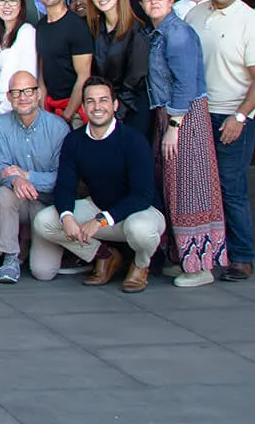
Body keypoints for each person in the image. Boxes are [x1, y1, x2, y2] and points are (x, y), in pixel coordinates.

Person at [31, 78, 167, 292]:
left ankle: (141, 265)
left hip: (140, 213)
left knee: (140, 229)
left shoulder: (133, 140)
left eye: (103, 100)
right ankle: (104, 255)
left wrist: (101, 221)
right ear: (83, 107)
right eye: (91, 101)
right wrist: (67, 216)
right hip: (99, 208)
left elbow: (142, 195)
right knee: (44, 221)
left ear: (114, 105)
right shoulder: (75, 140)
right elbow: (65, 186)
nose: (97, 107)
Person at [185, 0, 255, 282]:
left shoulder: (251, 21)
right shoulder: (195, 15)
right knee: (200, 187)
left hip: (232, 115)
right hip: (199, 112)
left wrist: (241, 115)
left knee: (230, 187)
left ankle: (241, 257)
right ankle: (207, 251)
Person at [143, 0, 227, 287]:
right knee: (174, 189)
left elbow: (185, 83)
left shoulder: (177, 33)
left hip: (185, 118)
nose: (153, 2)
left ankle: (201, 266)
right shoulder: (159, 33)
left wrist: (174, 126)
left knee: (192, 189)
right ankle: (183, 258)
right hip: (169, 115)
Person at [0, 72, 69, 284]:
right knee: (5, 194)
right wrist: (16, 180)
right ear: (9, 97)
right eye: (16, 92)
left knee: (43, 272)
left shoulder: (59, 128)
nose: (22, 97)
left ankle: (29, 243)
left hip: (47, 205)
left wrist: (28, 176)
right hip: (19, 200)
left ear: (38, 94)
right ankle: (10, 259)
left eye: (28, 91)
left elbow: (63, 179)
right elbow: (0, 168)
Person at [87, 0, 152, 141]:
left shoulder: (136, 30)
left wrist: (116, 114)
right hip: (104, 108)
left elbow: (135, 79)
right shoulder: (93, 29)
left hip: (131, 109)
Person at [34, 0, 93, 124]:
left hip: (74, 111)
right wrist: (44, 107)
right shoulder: (41, 26)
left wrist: (67, 116)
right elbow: (42, 69)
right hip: (48, 108)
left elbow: (83, 76)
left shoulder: (76, 26)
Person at [0, 0, 40, 115]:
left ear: (21, 5)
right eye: (2, 0)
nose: (7, 5)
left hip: (13, 105)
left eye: (13, 0)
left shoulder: (27, 32)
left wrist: (6, 106)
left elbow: (29, 74)